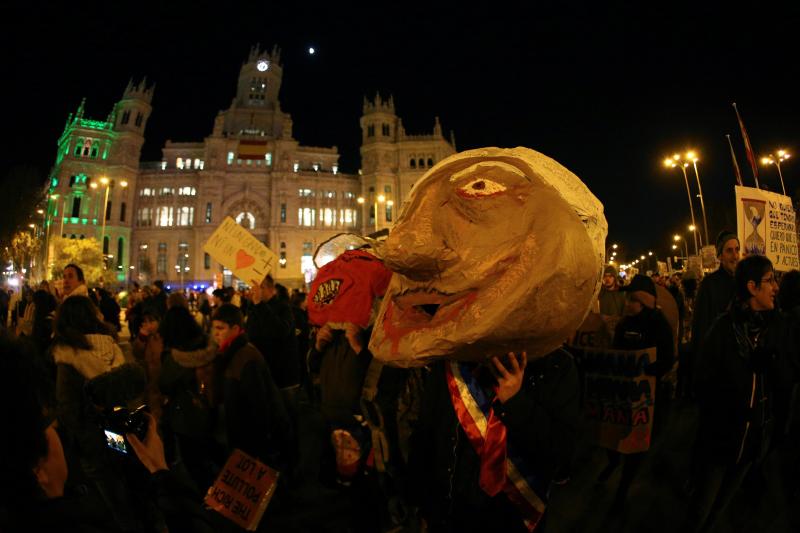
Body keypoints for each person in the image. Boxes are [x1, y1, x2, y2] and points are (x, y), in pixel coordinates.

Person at [685, 255, 796, 532]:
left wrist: (774, 365)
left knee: (721, 506)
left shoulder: (777, 328)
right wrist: (741, 375)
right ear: (751, 287)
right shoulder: (723, 330)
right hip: (722, 441)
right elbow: (702, 384)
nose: (776, 287)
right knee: (701, 509)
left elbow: (787, 377)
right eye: (769, 280)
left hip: (755, 442)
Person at [596, 274, 675, 513]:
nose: (626, 303)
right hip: (622, 391)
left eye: (631, 299)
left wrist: (650, 370)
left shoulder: (659, 325)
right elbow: (616, 351)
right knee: (611, 432)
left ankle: (623, 487)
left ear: (643, 301)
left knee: (636, 443)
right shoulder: (624, 324)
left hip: (647, 398)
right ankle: (612, 461)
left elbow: (667, 359)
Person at [211, 304, 292, 471]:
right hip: (238, 436)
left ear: (235, 329)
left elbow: (260, 408)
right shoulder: (226, 353)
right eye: (214, 328)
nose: (215, 333)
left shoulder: (246, 358)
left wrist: (258, 448)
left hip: (249, 442)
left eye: (220, 328)